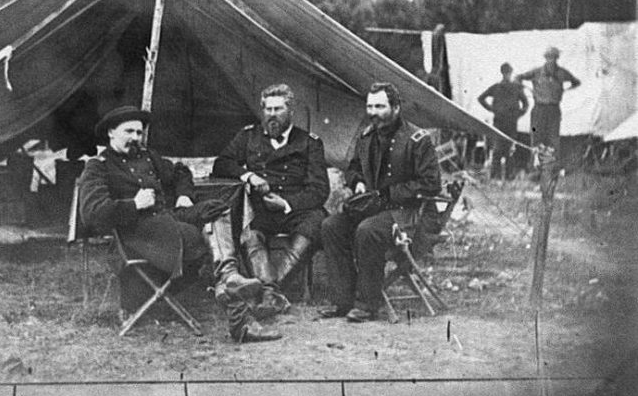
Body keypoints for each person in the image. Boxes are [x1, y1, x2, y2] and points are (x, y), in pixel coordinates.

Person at [79, 105, 281, 343]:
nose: (135, 138)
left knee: (217, 208)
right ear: (111, 132)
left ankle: (229, 277)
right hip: (137, 236)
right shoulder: (99, 165)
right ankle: (235, 301)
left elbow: (181, 172)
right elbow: (92, 213)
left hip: (168, 222)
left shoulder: (148, 156)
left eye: (139, 132)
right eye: (129, 131)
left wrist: (184, 194)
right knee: (200, 235)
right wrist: (134, 205)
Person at [319, 82, 441, 322]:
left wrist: (388, 194)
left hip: (407, 213)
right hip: (372, 207)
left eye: (379, 106)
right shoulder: (367, 136)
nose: (373, 112)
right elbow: (353, 168)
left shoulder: (417, 139)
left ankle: (367, 304)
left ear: (396, 108)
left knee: (368, 231)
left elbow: (430, 184)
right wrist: (358, 183)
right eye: (370, 106)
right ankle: (343, 301)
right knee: (331, 226)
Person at [212, 83, 330, 319]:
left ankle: (268, 291)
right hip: (261, 208)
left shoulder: (309, 142)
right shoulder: (248, 136)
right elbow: (222, 163)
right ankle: (269, 293)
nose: (272, 115)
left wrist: (286, 204)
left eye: (278, 109)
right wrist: (249, 175)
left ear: (290, 112)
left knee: (317, 221)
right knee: (250, 228)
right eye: (268, 110)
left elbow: (319, 190)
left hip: (297, 208)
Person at [516, 47, 581, 157]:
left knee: (553, 139)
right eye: (549, 57)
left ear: (557, 58)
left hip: (554, 109)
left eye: (554, 57)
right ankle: (535, 167)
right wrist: (527, 88)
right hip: (539, 109)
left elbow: (576, 82)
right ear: (545, 58)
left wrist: (564, 90)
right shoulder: (536, 72)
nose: (552, 60)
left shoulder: (562, 73)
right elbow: (517, 78)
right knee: (536, 137)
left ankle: (551, 168)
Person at [477, 62, 529, 180]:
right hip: (499, 122)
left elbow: (526, 103)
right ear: (502, 73)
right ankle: (495, 177)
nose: (507, 75)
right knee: (497, 150)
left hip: (511, 123)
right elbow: (481, 98)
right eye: (505, 73)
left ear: (510, 73)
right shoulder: (496, 87)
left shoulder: (516, 88)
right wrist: (492, 109)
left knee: (510, 150)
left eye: (508, 73)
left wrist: (518, 114)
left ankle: (509, 177)